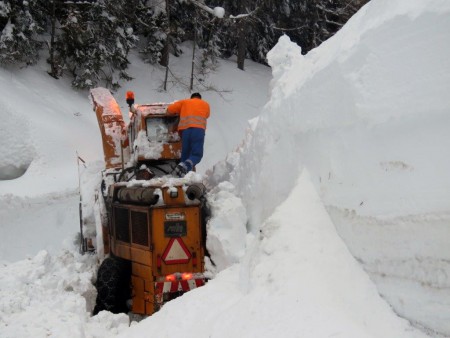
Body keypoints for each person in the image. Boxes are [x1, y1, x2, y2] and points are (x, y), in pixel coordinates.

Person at [167, 93, 210, 177]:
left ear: (191, 98)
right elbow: (207, 115)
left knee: (185, 155)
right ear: (200, 98)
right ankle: (185, 167)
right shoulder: (205, 104)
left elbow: (170, 109)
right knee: (197, 155)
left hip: (185, 131)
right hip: (198, 131)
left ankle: (181, 174)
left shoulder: (185, 102)